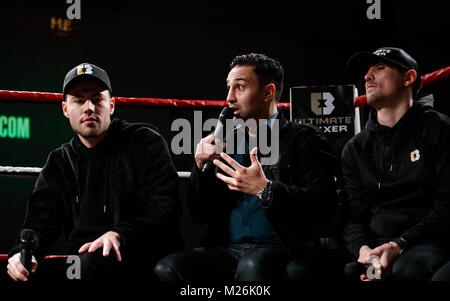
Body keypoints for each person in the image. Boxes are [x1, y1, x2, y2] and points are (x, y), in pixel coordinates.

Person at [154, 53, 341, 281]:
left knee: (252, 265)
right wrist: (200, 166)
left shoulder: (305, 139)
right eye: (229, 88)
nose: (229, 97)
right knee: (169, 268)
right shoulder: (226, 142)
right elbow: (199, 214)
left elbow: (325, 204)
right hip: (228, 248)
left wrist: (266, 189)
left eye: (240, 87)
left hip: (283, 248)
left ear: (268, 92)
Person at [6, 63, 182, 281]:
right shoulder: (59, 162)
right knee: (21, 273)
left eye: (97, 99)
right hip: (85, 265)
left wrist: (120, 234)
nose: (89, 107)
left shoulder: (144, 141)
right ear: (65, 109)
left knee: (86, 267)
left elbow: (166, 208)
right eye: (79, 100)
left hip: (141, 257)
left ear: (111, 105)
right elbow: (39, 222)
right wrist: (21, 255)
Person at [342, 47, 450, 281]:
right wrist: (364, 251)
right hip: (376, 248)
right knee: (351, 271)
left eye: (380, 68)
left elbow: (447, 205)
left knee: (408, 269)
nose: (367, 77)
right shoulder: (355, 148)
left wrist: (399, 244)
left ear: (408, 78)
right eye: (367, 72)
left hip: (427, 242)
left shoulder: (439, 129)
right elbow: (353, 217)